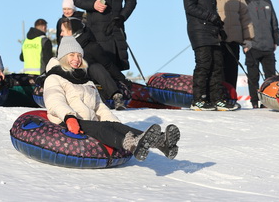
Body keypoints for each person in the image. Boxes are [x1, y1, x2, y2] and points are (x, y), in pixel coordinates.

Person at [43, 36, 180, 161]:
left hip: (88, 121)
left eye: (79, 55)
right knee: (101, 127)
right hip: (66, 121)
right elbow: (54, 101)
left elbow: (99, 106)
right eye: (71, 55)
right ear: (63, 57)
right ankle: (131, 144)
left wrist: (116, 124)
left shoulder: (86, 80)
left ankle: (162, 142)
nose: (76, 59)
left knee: (113, 125)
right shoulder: (54, 77)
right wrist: (69, 117)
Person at [182, 0, 237, 111]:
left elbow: (212, 9)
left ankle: (217, 99)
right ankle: (198, 99)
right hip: (198, 31)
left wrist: (219, 25)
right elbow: (190, 6)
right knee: (204, 64)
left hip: (212, 31)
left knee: (217, 65)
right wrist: (210, 16)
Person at [59, 17, 129, 110]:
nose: (61, 34)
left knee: (95, 67)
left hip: (91, 80)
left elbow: (108, 65)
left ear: (74, 31)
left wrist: (123, 80)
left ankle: (116, 96)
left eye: (63, 31)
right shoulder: (64, 47)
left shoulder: (92, 47)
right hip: (71, 81)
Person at [212, 0, 255, 89]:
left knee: (232, 71)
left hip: (234, 40)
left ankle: (231, 96)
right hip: (218, 39)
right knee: (218, 70)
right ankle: (219, 97)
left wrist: (248, 38)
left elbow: (245, 18)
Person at [244, 0, 279, 108]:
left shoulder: (268, 2)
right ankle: (254, 102)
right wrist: (245, 43)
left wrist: (275, 41)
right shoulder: (245, 2)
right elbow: (242, 24)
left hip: (268, 46)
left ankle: (268, 102)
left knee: (270, 77)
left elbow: (274, 23)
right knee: (253, 77)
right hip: (252, 46)